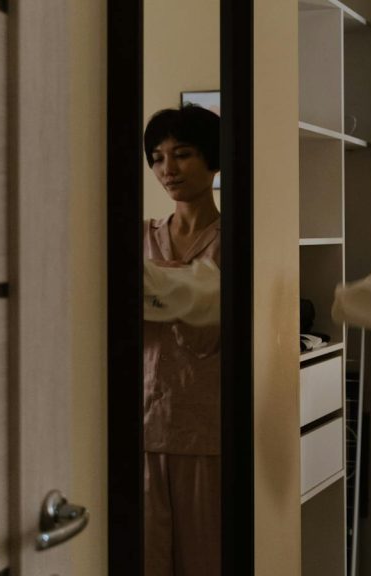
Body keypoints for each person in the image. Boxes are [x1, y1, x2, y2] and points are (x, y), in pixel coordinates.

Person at [141, 105, 222, 576]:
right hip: (143, 428)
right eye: (157, 158)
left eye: (183, 154)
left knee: (205, 560)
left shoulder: (234, 241)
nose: (167, 169)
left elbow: (215, 336)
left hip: (206, 431)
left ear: (212, 159)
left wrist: (173, 291)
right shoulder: (140, 237)